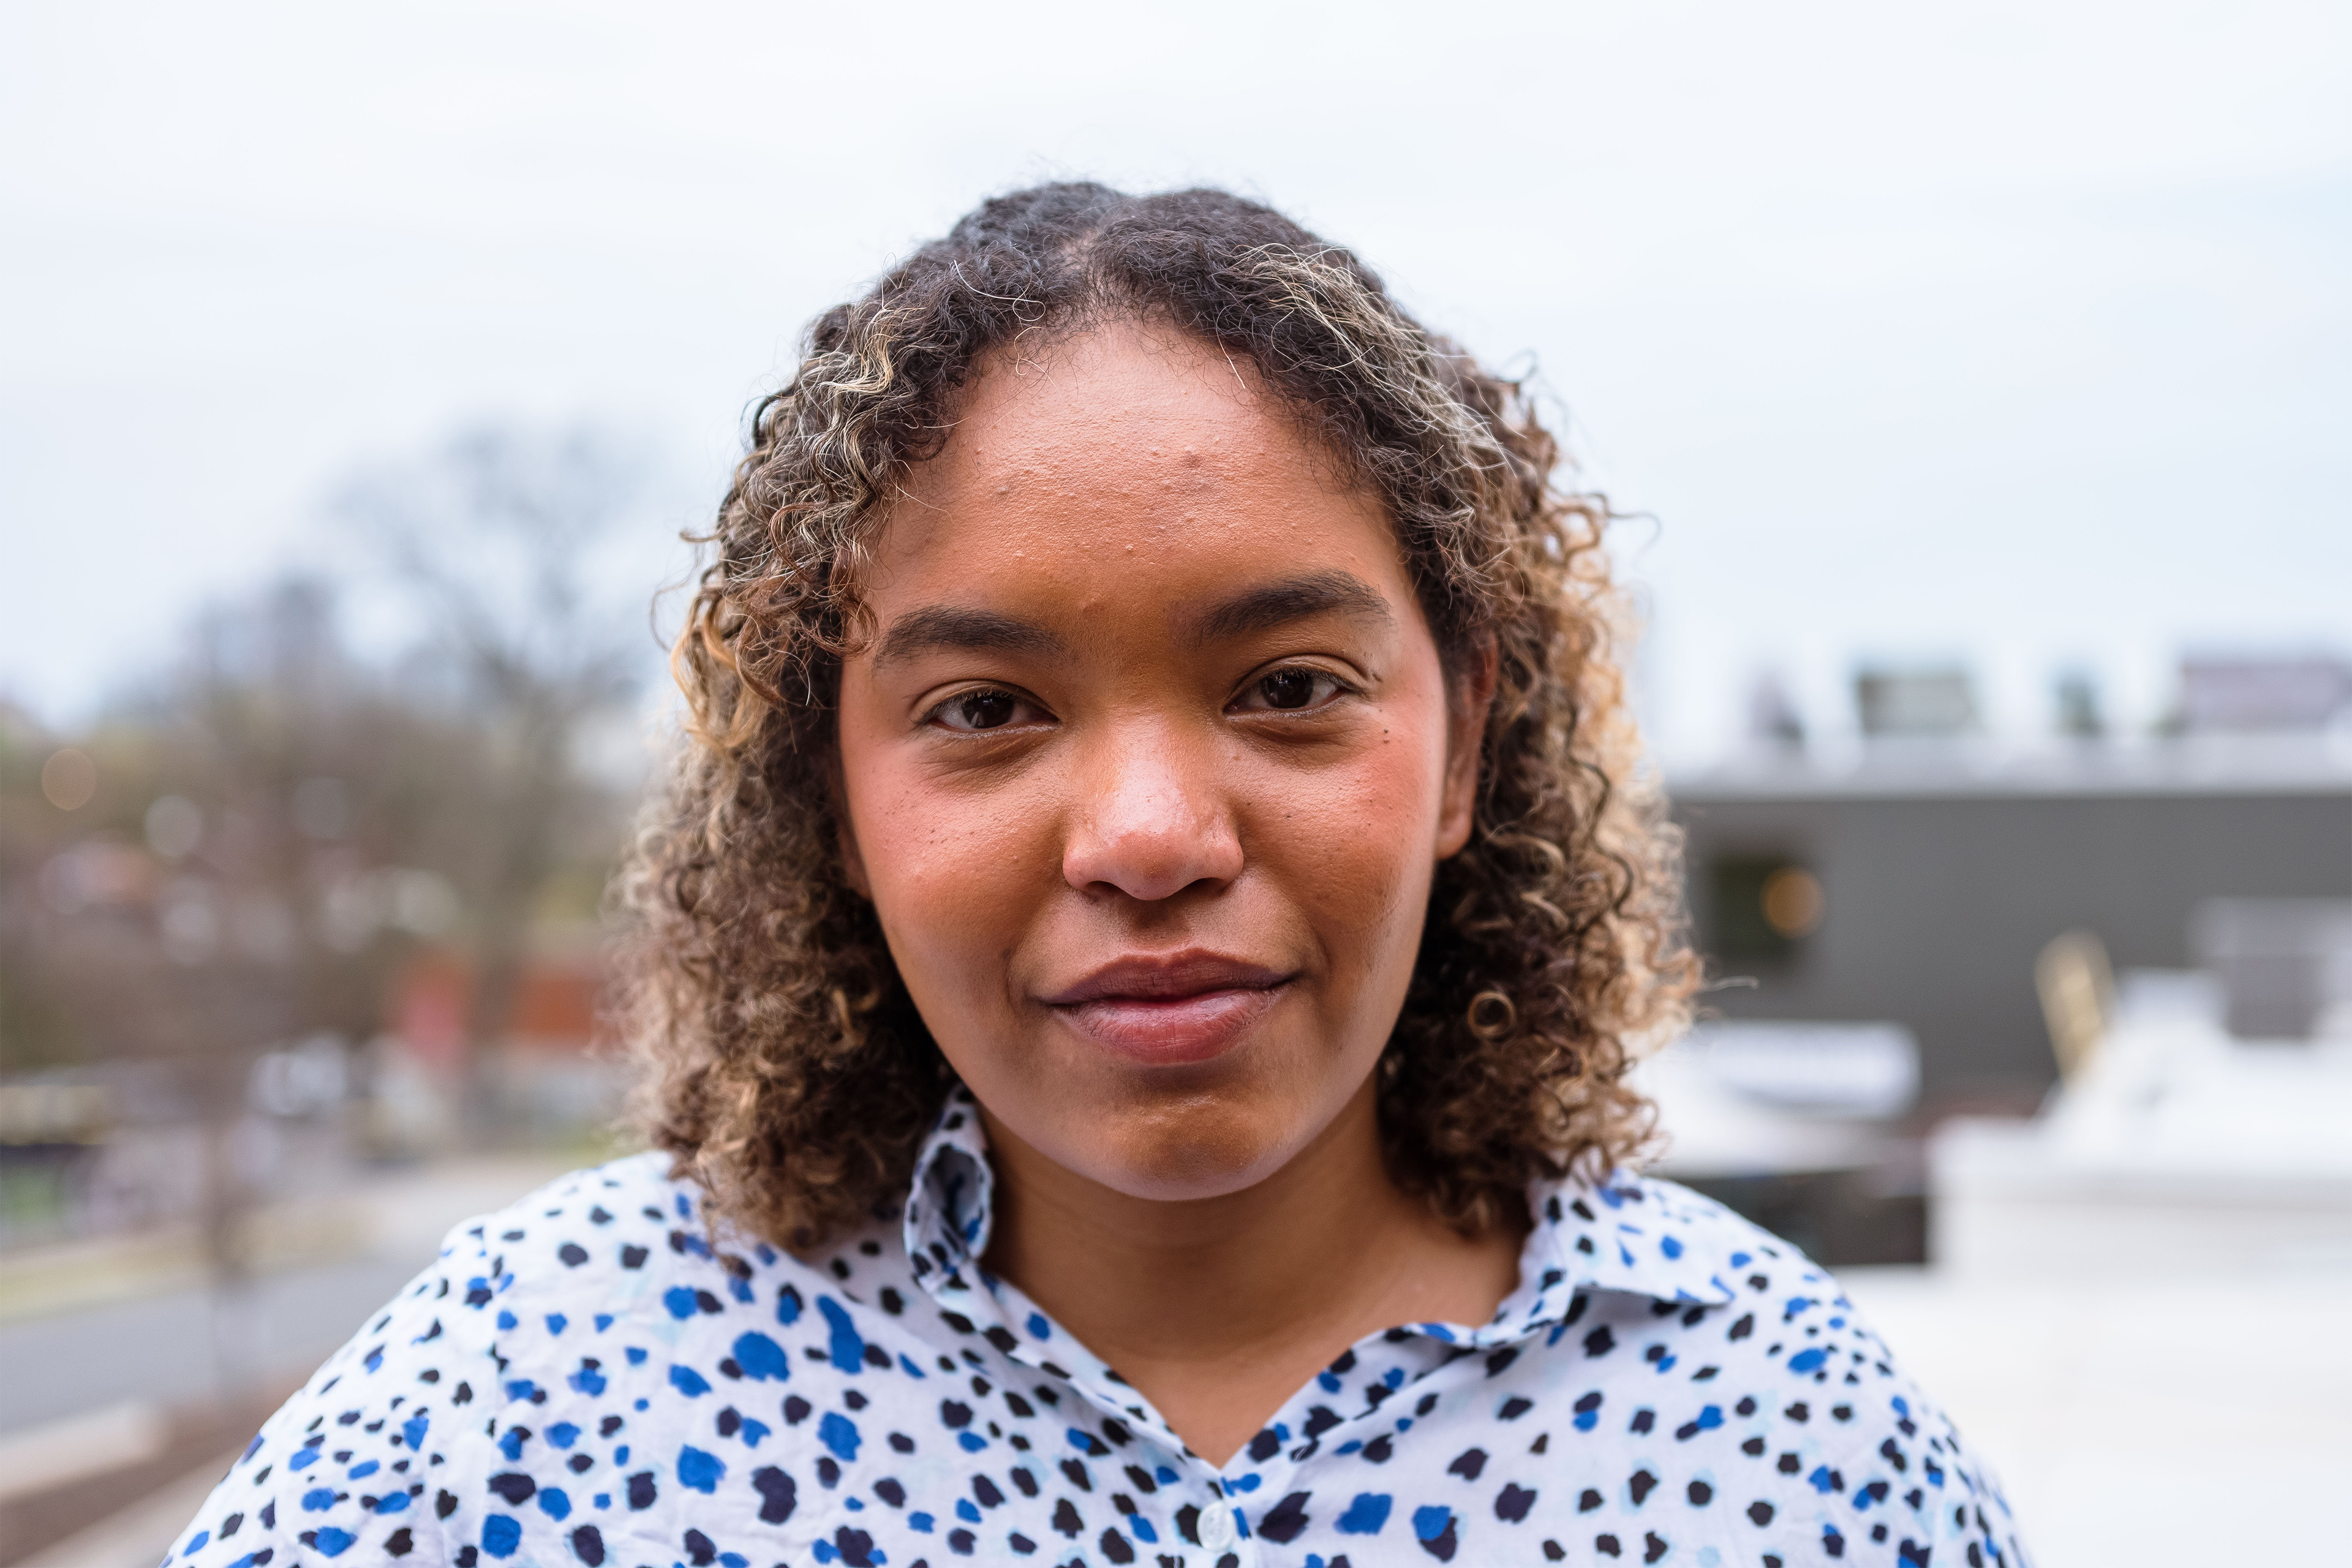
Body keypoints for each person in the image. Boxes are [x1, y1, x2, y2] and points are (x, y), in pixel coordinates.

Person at [171, 184, 2024, 1568]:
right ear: (834, 797)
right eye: (985, 708)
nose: (1147, 836)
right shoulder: (522, 1404)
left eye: (1290, 690)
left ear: (1466, 743)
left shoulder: (1788, 1442)